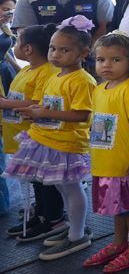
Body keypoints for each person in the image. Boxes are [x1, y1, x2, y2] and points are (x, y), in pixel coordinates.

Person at [4, 16, 99, 260]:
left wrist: (43, 112)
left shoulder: (82, 80)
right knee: (61, 188)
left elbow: (82, 115)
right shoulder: (56, 76)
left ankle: (77, 235)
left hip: (66, 144)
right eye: (53, 49)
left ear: (83, 53)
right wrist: (37, 113)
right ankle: (70, 227)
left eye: (64, 50)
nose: (56, 54)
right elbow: (46, 105)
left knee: (72, 188)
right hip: (47, 140)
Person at [81, 32, 129, 273]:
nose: (106, 65)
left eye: (115, 60)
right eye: (101, 60)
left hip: (125, 163)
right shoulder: (99, 90)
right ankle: (119, 243)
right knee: (117, 206)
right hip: (105, 161)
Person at [2, 25, 60, 236]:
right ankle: (40, 213)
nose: (14, 46)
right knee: (35, 179)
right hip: (24, 136)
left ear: (28, 49)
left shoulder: (46, 73)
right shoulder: (27, 69)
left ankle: (53, 217)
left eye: (17, 42)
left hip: (38, 137)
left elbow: (35, 102)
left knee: (46, 180)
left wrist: (3, 103)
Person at [0, 0, 18, 92]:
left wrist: (18, 69)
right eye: (5, 10)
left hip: (6, 70)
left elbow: (6, 51)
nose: (9, 14)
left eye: (12, 10)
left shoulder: (4, 26)